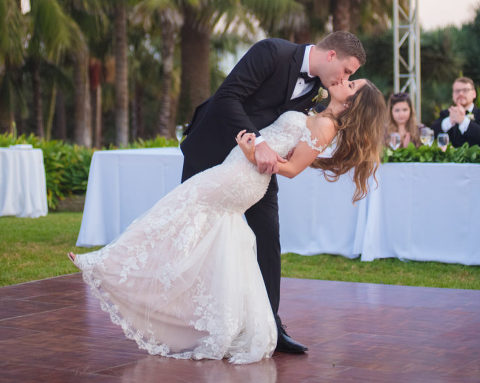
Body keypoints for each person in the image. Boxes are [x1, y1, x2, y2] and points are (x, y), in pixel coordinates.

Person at [68, 78, 386, 364]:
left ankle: (106, 263)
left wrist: (251, 153)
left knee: (177, 207)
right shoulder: (316, 111)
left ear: (354, 102)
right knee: (208, 229)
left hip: (243, 176)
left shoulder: (326, 125)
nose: (346, 81)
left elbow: (290, 169)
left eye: (353, 84)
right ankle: (228, 324)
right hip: (238, 170)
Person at [180, 32, 366, 354]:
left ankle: (270, 326)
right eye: (348, 71)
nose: (346, 78)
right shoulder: (272, 52)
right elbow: (227, 97)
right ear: (332, 55)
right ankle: (190, 317)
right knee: (193, 232)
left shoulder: (318, 88)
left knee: (268, 236)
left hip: (259, 169)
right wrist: (260, 142)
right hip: (212, 151)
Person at [431, 77, 480, 147]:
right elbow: (431, 133)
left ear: (474, 94)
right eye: (457, 91)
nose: (460, 93)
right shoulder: (445, 114)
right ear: (452, 95)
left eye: (465, 90)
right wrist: (449, 121)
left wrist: (463, 121)